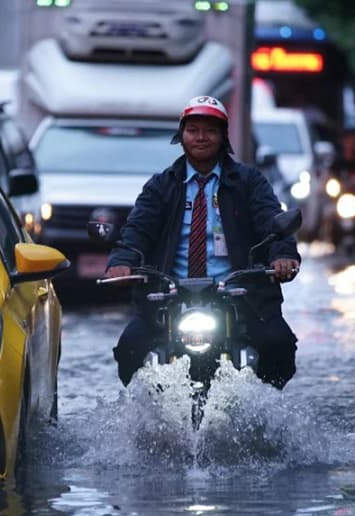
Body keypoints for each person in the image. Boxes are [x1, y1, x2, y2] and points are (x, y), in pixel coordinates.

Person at [103, 96, 301, 388]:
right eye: (193, 130)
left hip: (239, 294)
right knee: (130, 348)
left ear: (223, 136)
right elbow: (137, 230)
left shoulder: (250, 182)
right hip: (170, 295)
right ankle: (147, 414)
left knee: (278, 344)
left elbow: (273, 222)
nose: (201, 137)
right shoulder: (161, 185)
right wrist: (121, 263)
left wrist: (282, 256)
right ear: (181, 136)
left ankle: (262, 410)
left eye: (210, 130)